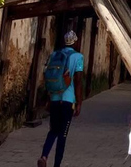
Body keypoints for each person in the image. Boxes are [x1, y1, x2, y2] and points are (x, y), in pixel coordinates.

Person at [38, 30, 84, 167]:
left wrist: (48, 98)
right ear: (75, 42)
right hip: (68, 101)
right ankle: (57, 165)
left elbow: (48, 77)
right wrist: (79, 102)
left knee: (53, 130)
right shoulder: (78, 57)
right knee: (63, 135)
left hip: (54, 99)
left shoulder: (54, 54)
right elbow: (78, 81)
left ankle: (44, 156)